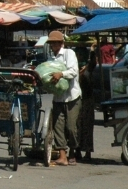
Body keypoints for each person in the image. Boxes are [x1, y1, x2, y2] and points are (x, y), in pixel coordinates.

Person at [45, 30, 82, 166]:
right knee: (58, 127)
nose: (53, 45)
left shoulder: (69, 53)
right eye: (52, 43)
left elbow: (73, 71)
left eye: (56, 42)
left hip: (72, 96)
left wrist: (61, 74)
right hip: (58, 97)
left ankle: (73, 152)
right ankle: (62, 156)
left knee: (71, 127)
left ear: (61, 43)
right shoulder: (51, 59)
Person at [73, 46, 96, 163]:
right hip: (77, 99)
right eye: (77, 55)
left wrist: (92, 51)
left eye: (80, 55)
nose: (78, 57)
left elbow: (93, 62)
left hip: (88, 100)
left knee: (87, 126)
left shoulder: (88, 68)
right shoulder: (74, 67)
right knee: (76, 126)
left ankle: (87, 152)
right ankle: (77, 150)